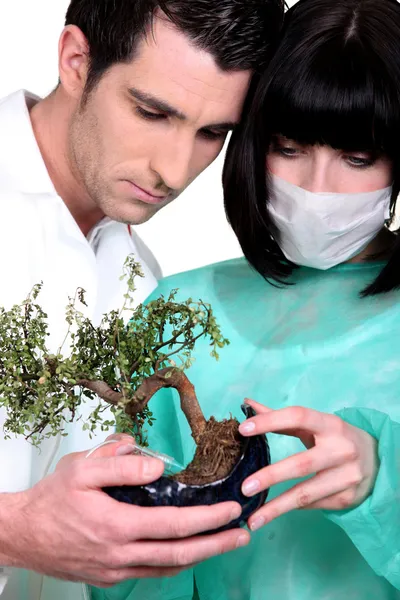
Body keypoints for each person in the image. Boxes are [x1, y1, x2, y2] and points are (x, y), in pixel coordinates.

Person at [93, 0, 400, 598]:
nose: (317, 189)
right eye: (289, 148)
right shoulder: (177, 308)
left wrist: (379, 482)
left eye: (357, 158)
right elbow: (123, 554)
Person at [0, 0, 285, 598]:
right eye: (153, 112)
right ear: (77, 60)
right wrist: (14, 529)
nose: (175, 170)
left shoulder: (141, 278)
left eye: (212, 133)